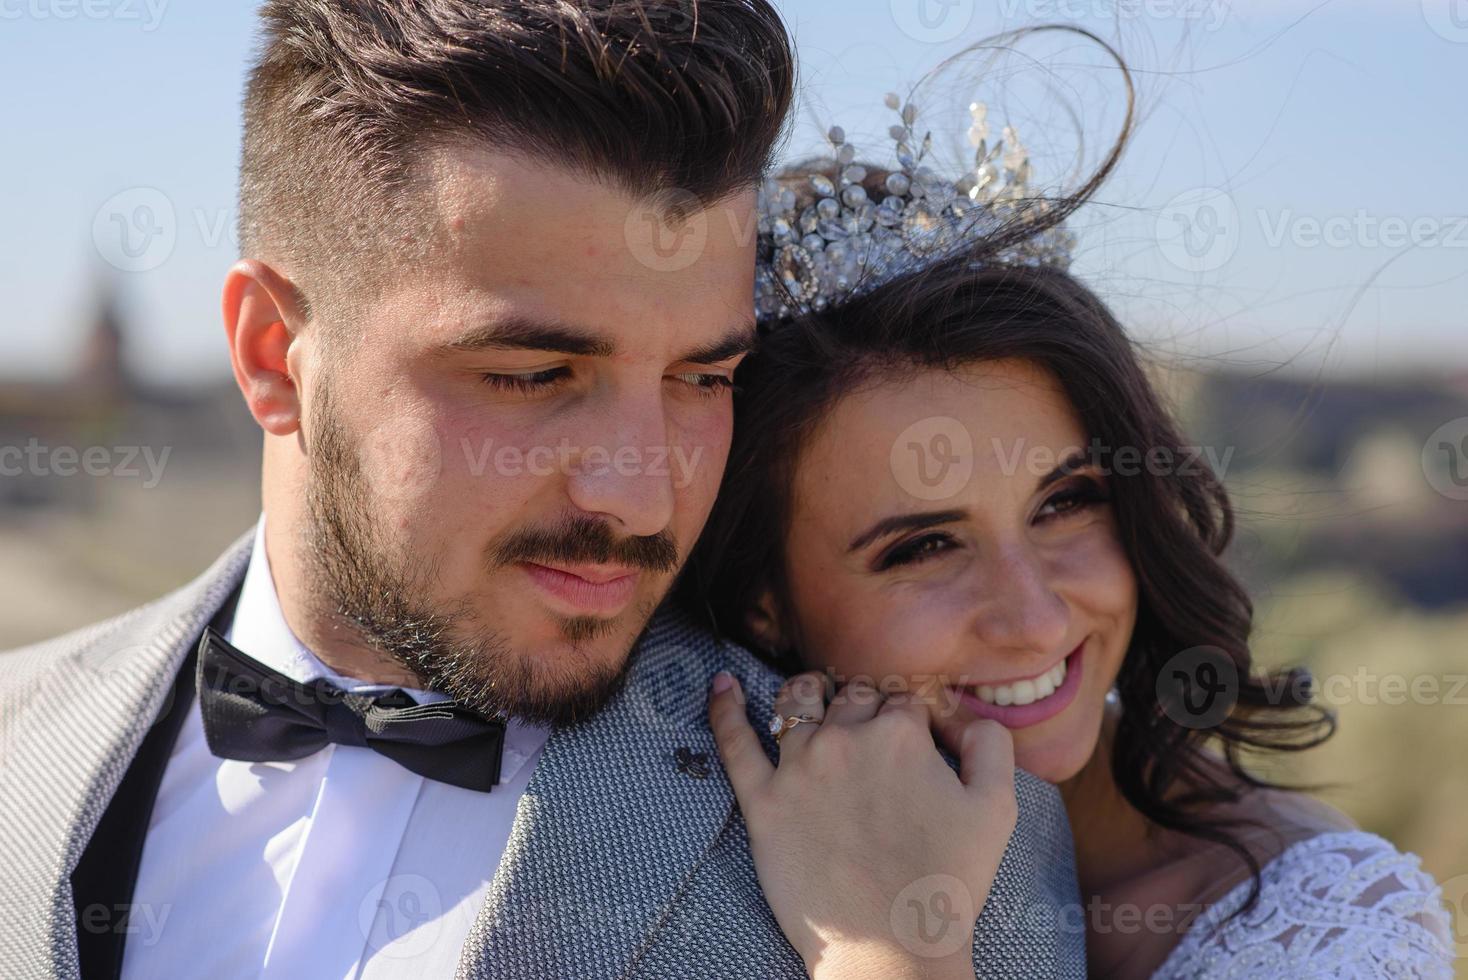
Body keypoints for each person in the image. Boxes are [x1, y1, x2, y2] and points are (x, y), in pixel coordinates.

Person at [0, 3, 1087, 979]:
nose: (640, 497)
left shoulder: (943, 848)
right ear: (277, 352)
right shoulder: (20, 734)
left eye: (702, 377)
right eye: (530, 376)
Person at [691, 67, 1458, 979]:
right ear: (763, 597)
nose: (1040, 619)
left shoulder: (1323, 934)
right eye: (924, 546)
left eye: (1066, 502)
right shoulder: (646, 851)